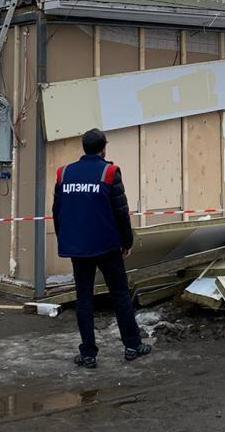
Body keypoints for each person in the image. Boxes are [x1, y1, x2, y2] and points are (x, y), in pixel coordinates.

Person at [53, 128, 152, 369]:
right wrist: (127, 242)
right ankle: (132, 345)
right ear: (103, 148)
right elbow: (121, 211)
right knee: (120, 296)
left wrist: (65, 239)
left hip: (78, 248)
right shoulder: (109, 172)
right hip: (107, 246)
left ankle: (88, 354)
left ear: (84, 148)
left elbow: (57, 211)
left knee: (84, 300)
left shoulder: (64, 173)